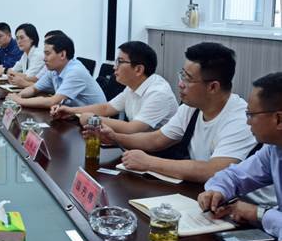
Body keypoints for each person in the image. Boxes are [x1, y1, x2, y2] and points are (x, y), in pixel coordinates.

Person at [102, 42, 258, 183]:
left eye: (187, 79)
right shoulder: (191, 107)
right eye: (182, 75)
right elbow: (157, 139)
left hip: (242, 202)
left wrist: (148, 162)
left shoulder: (240, 119)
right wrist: (115, 138)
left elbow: (213, 171)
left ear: (213, 87)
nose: (180, 84)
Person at [198, 72, 282, 241]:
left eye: (251, 115)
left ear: (278, 119)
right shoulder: (273, 148)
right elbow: (235, 175)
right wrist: (218, 191)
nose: (247, 122)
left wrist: (258, 213)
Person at [51, 41, 178, 133]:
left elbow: (133, 128)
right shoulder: (133, 86)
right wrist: (70, 111)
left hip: (159, 154)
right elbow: (107, 108)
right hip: (137, 145)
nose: (114, 67)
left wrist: (93, 119)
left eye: (120, 62)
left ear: (138, 69)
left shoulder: (158, 93)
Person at [7, 34, 106, 109]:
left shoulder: (75, 72)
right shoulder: (54, 69)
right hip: (74, 115)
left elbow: (53, 101)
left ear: (62, 55)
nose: (44, 59)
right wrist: (18, 96)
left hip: (96, 121)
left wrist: (19, 101)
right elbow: (34, 88)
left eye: (48, 54)